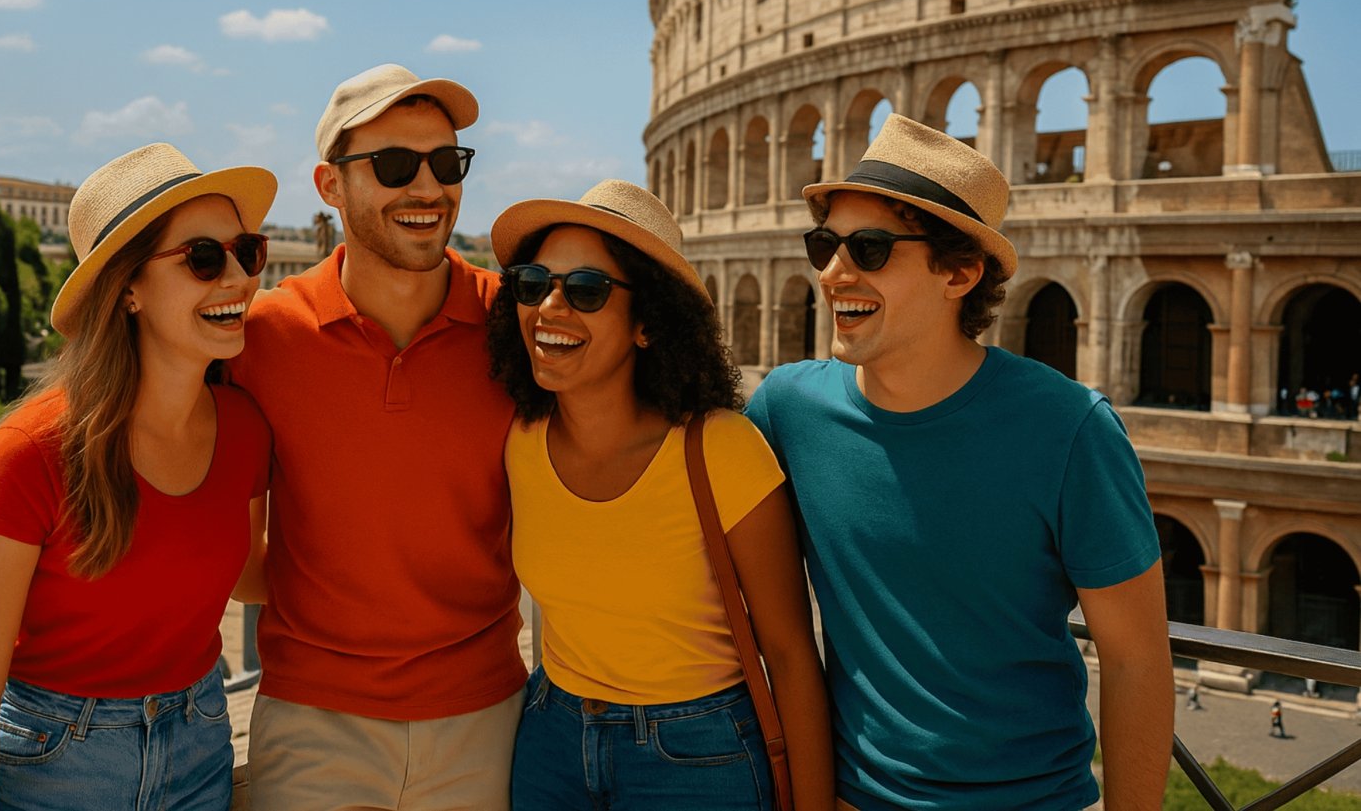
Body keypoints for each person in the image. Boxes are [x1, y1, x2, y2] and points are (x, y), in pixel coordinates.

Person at [746, 114, 1174, 811]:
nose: (831, 271)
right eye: (823, 244)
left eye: (870, 248)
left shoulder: (1070, 428)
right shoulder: (787, 410)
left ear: (960, 272)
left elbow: (1136, 659)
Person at [0, 144, 277, 811]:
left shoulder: (244, 429)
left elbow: (250, 575)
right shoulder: (30, 453)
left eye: (247, 251)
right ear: (126, 289)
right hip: (55, 761)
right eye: (204, 258)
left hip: (201, 741)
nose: (237, 277)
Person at [229, 64, 525, 810]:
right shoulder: (263, 337)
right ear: (330, 185)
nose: (429, 188)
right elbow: (233, 556)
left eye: (447, 163)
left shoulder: (514, 327)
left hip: (487, 720)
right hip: (312, 725)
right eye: (395, 165)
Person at [486, 180, 832, 811]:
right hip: (550, 738)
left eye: (586, 290)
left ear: (647, 322)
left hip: (697, 754)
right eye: (533, 284)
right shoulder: (516, 439)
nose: (550, 307)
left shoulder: (721, 448)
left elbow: (789, 651)